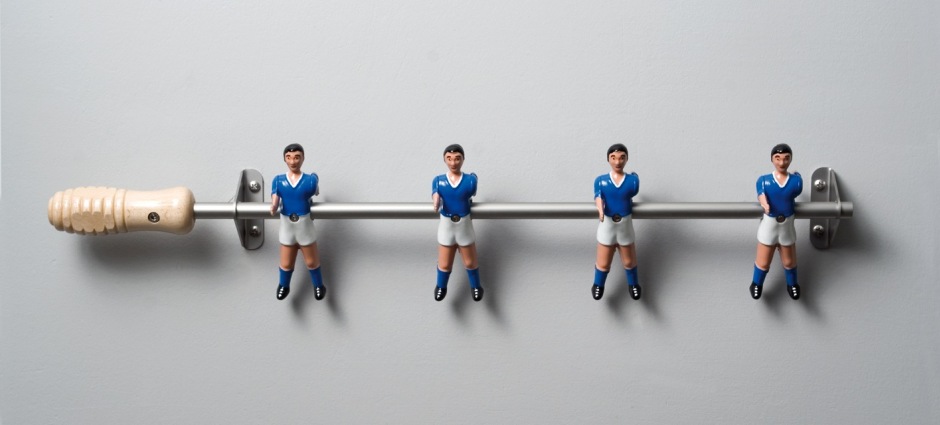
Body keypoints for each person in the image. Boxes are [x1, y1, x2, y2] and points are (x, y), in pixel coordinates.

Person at [270, 143, 326, 301]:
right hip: (287, 224)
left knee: (311, 261)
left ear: (302, 159)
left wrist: (316, 180)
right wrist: (274, 206)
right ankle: (283, 285)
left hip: (304, 224)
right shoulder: (279, 180)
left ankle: (318, 285)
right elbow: (275, 196)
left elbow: (315, 188)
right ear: (284, 159)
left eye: (296, 157)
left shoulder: (309, 181)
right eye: (288, 157)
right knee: (286, 262)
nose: (293, 161)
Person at [750, 143, 803, 300]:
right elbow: (761, 194)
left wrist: (798, 176)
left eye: (786, 158)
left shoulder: (796, 182)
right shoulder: (764, 180)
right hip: (770, 223)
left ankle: (792, 284)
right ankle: (756, 283)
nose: (782, 162)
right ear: (772, 159)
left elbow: (795, 189)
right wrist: (764, 203)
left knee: (789, 260)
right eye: (778, 158)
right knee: (763, 260)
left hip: (786, 224)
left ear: (790, 159)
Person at [432, 144, 484, 302]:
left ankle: (476, 286)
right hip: (447, 223)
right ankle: (441, 286)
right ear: (444, 160)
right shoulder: (439, 181)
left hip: (463, 223)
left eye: (457, 159)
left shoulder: (469, 181)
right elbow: (435, 193)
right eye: (449, 159)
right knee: (444, 262)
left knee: (470, 261)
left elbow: (473, 188)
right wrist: (436, 199)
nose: (453, 162)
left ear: (462, 159)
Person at [591, 144, 641, 301]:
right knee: (603, 261)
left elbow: (633, 191)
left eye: (621, 158)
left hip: (624, 224)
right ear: (608, 159)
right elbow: (598, 197)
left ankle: (633, 284)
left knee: (629, 260)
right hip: (608, 224)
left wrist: (636, 177)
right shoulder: (601, 181)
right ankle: (598, 284)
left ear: (626, 159)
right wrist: (600, 210)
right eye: (613, 158)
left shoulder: (632, 182)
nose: (618, 162)